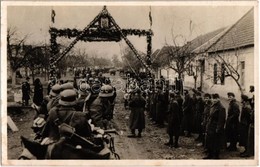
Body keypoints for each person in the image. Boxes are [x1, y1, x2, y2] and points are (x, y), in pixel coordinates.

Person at [204, 93, 226, 159]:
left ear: (218, 99)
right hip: (210, 126)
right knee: (209, 141)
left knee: (216, 142)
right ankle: (210, 154)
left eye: (216, 98)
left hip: (216, 127)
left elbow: (221, 120)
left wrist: (218, 128)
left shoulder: (221, 107)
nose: (214, 100)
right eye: (213, 98)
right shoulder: (213, 106)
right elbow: (209, 116)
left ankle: (216, 156)